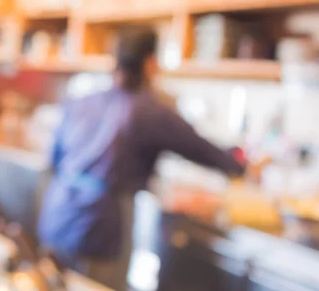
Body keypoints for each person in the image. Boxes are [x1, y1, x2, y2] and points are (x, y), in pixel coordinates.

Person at [38, 29, 245, 290]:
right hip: (102, 226)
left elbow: (53, 159)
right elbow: (200, 149)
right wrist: (239, 163)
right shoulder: (149, 111)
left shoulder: (82, 102)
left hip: (58, 213)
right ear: (150, 63)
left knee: (49, 284)